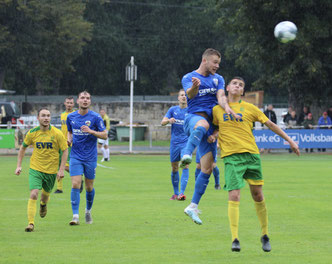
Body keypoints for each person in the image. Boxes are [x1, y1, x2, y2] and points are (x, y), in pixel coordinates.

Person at [212, 77, 300, 252]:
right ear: (227, 87)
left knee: (257, 195)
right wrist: (212, 137)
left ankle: (265, 234)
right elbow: (214, 128)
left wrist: (290, 140)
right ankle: (235, 238)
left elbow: (271, 124)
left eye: (241, 85)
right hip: (231, 157)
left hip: (252, 156)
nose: (237, 86)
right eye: (235, 83)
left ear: (243, 92)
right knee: (234, 195)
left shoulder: (250, 108)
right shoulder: (216, 110)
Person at [181, 48, 236, 225]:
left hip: (211, 127)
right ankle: (187, 153)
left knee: (207, 168)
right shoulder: (189, 77)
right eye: (215, 62)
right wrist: (195, 87)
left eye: (218, 63)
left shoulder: (218, 79)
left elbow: (220, 95)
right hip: (193, 119)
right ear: (205, 61)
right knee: (202, 125)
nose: (217, 66)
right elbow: (189, 95)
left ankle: (193, 206)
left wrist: (226, 106)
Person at [15, 108, 68, 232]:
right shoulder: (32, 133)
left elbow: (65, 150)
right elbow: (22, 148)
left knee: (44, 197)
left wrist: (61, 169)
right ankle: (31, 223)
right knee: (34, 193)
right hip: (36, 169)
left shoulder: (57, 133)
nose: (46, 118)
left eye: (48, 116)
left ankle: (43, 205)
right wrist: (19, 166)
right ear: (38, 118)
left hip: (51, 171)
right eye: (43, 115)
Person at [67, 91, 107, 225]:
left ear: (90, 101)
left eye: (88, 98)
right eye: (82, 98)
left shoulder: (95, 117)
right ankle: (75, 216)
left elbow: (105, 135)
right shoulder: (71, 116)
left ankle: (88, 211)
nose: (85, 100)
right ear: (77, 101)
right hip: (75, 156)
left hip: (90, 157)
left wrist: (91, 131)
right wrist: (69, 139)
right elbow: (69, 131)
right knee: (75, 184)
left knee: (89, 187)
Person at [161, 89, 189, 200]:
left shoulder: (191, 111)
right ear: (178, 98)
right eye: (182, 95)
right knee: (174, 168)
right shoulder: (173, 110)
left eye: (186, 95)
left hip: (186, 143)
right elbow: (162, 122)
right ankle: (176, 193)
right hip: (174, 144)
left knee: (185, 165)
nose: (184, 97)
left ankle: (182, 193)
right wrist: (169, 121)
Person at [54, 96, 76, 194]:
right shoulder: (62, 115)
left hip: (70, 143)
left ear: (73, 104)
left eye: (71, 103)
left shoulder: (76, 114)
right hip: (61, 143)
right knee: (59, 165)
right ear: (64, 103)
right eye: (68, 102)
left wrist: (71, 139)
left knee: (66, 166)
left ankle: (78, 178)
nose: (69, 104)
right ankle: (59, 188)